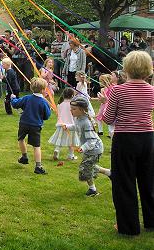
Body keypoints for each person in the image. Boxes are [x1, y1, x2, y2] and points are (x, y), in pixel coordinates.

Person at [102, 51, 154, 236]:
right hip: (148, 138)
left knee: (124, 182)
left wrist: (105, 102)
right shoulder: (151, 90)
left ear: (126, 68)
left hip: (125, 139)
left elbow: (108, 119)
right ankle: (151, 220)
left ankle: (129, 226)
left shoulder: (118, 90)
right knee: (149, 180)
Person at [62, 96, 105, 197]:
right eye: (71, 109)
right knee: (89, 166)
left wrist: (83, 147)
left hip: (94, 149)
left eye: (74, 109)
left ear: (81, 110)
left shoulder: (86, 122)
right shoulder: (79, 118)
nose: (71, 111)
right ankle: (109, 173)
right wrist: (67, 126)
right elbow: (76, 127)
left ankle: (93, 190)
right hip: (91, 149)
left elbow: (92, 140)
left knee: (85, 169)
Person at [11, 77, 52, 174]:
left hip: (24, 123)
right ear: (42, 90)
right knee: (36, 146)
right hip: (36, 126)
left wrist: (13, 98)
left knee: (21, 139)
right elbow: (47, 116)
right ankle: (38, 166)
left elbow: (15, 104)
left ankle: (24, 157)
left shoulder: (26, 98)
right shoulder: (44, 102)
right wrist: (48, 109)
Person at [49, 88, 79, 161]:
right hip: (71, 125)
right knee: (71, 141)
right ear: (72, 95)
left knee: (60, 139)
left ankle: (57, 150)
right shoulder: (73, 105)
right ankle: (71, 155)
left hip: (61, 125)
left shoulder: (60, 105)